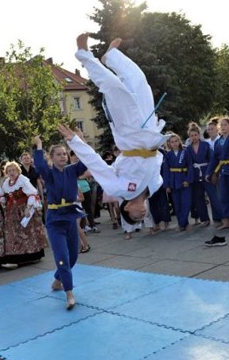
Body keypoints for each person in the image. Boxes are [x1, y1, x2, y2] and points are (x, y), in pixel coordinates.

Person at [64, 33, 168, 226]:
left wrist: (75, 142)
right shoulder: (155, 186)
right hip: (148, 133)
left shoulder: (119, 189)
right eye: (143, 217)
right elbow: (156, 161)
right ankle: (111, 56)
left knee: (113, 87)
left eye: (137, 216)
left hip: (129, 135)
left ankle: (83, 54)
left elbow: (96, 164)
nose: (143, 213)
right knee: (140, 81)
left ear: (126, 207)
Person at [34, 134, 87, 310]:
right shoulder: (48, 173)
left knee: (73, 257)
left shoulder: (72, 170)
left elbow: (87, 159)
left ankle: (58, 280)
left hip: (71, 217)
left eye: (64, 153)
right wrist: (39, 146)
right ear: (52, 157)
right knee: (62, 258)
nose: (63, 156)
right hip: (55, 220)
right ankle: (69, 293)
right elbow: (40, 165)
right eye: (58, 154)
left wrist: (80, 142)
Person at [0, 161, 47, 265]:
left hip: (25, 208)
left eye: (13, 170)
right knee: (15, 233)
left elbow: (32, 193)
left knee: (28, 232)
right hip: (13, 210)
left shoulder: (23, 180)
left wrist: (27, 208)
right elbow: (5, 196)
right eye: (9, 170)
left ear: (18, 171)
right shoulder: (6, 182)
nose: (11, 172)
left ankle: (33, 255)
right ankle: (17, 257)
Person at [185, 122, 220, 228]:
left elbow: (212, 160)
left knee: (213, 196)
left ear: (199, 135)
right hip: (195, 175)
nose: (194, 137)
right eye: (191, 135)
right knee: (199, 199)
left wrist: (212, 173)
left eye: (195, 135)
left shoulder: (205, 145)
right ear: (189, 137)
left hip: (207, 173)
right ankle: (204, 219)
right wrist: (190, 179)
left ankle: (218, 217)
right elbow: (189, 164)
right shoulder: (188, 149)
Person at [163, 133, 192, 231]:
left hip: (184, 179)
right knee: (177, 204)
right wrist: (166, 185)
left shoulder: (185, 152)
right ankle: (184, 224)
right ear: (169, 144)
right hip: (173, 181)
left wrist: (188, 180)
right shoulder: (168, 155)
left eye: (176, 141)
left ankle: (181, 223)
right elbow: (166, 171)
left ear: (179, 141)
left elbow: (190, 167)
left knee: (186, 203)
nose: (174, 143)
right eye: (172, 142)